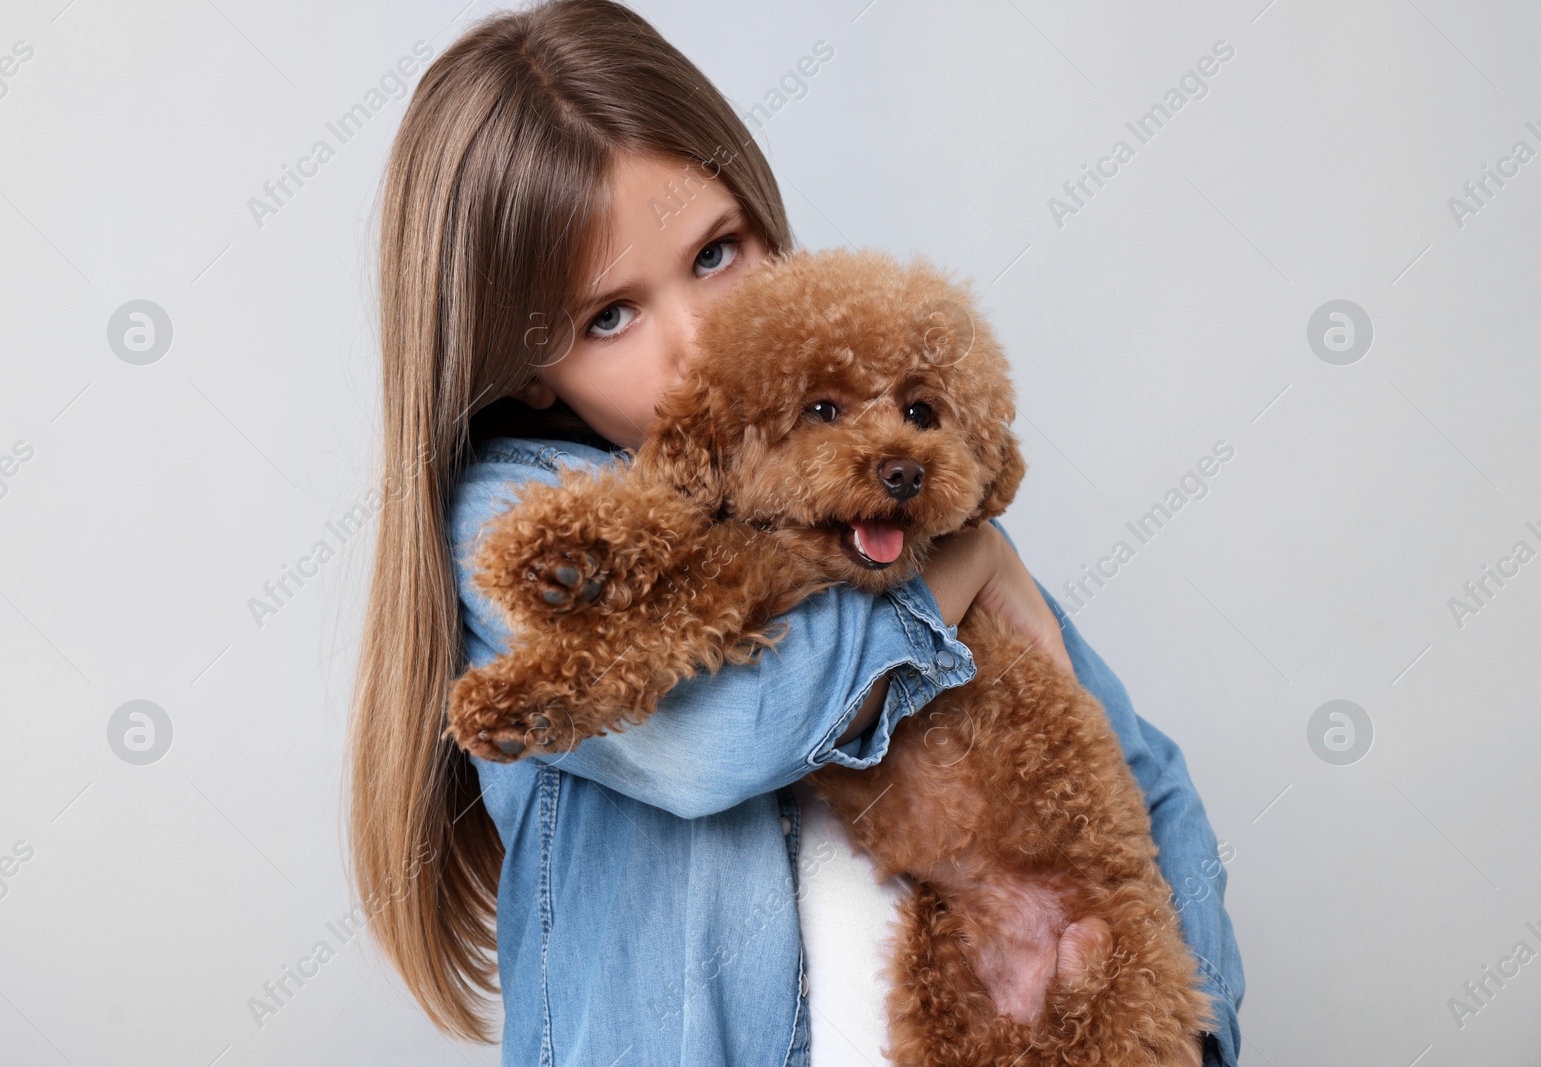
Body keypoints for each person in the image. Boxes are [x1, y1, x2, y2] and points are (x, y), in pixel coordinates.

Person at [345, 1, 1245, 1064]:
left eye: (716, 251)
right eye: (610, 316)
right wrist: (963, 564)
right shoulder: (523, 523)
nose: (699, 335)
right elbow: (728, 735)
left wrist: (1194, 1030)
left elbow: (1143, 776)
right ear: (527, 367)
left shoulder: (863, 486)